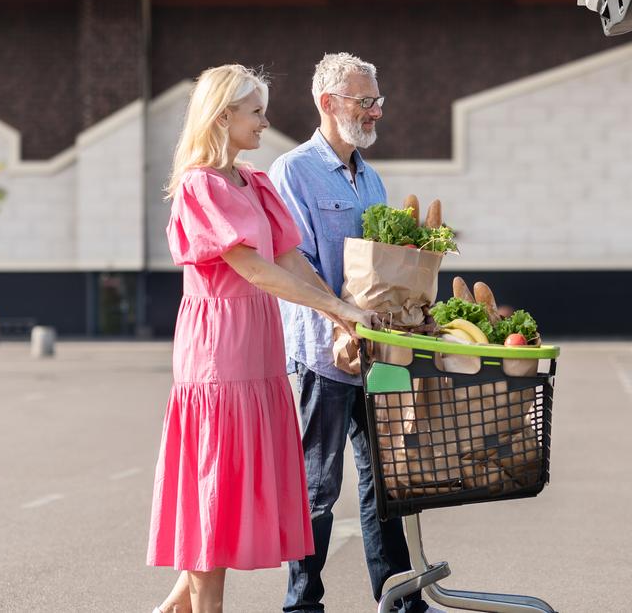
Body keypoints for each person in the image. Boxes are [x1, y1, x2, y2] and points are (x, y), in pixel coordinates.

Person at [146, 63, 378, 613]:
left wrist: (341, 313)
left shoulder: (254, 181)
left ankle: (179, 603)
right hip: (219, 352)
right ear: (222, 115)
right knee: (214, 491)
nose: (265, 121)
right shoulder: (200, 184)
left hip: (256, 347)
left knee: (222, 490)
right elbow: (252, 268)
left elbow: (289, 256)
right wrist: (335, 307)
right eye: (255, 112)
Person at [270, 53, 441, 613]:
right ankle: (303, 604)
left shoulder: (372, 177)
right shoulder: (293, 171)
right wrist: (343, 317)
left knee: (386, 482)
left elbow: (383, 270)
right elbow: (296, 261)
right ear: (328, 102)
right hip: (323, 355)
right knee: (318, 490)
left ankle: (396, 598)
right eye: (364, 101)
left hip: (379, 354)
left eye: (378, 102)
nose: (375, 112)